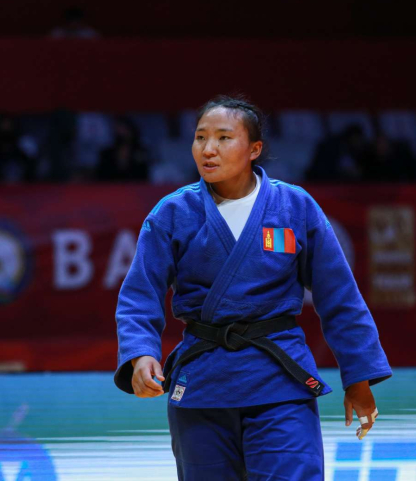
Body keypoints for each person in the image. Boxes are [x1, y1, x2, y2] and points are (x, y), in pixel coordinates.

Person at [114, 96, 391, 480]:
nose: (208, 149)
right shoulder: (173, 213)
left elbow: (339, 297)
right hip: (202, 382)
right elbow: (139, 294)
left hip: (279, 380)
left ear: (254, 149)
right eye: (200, 137)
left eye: (224, 138)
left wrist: (358, 376)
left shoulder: (294, 206)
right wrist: (140, 353)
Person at [94, 117, 150, 181]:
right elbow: (102, 177)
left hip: (134, 185)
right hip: (111, 186)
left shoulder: (141, 152)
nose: (122, 132)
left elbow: (143, 176)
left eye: (125, 129)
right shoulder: (106, 154)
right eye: (119, 129)